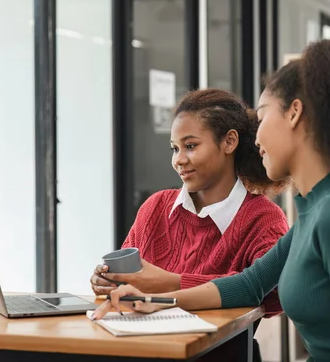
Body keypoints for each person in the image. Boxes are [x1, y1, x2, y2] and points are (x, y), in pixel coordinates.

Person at [93, 39, 330, 362]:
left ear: (294, 113)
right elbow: (249, 285)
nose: (257, 137)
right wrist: (151, 302)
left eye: (263, 118)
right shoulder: (317, 207)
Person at [90, 88, 291, 318]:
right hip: (144, 345)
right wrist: (109, 281)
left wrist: (169, 283)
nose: (179, 160)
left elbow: (271, 295)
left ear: (229, 142)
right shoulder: (155, 207)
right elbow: (130, 286)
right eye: (175, 149)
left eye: (191, 146)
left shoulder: (263, 218)